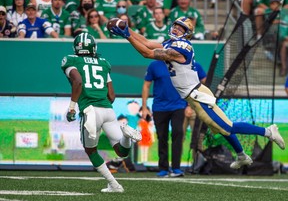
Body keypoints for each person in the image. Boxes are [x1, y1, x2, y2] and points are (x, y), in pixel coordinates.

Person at [110, 16, 286, 170]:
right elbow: (147, 42)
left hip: (196, 95)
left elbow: (147, 53)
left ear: (187, 33)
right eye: (176, 25)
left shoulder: (181, 47)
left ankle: (268, 132)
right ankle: (241, 155)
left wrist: (126, 36)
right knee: (219, 128)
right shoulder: (172, 42)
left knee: (226, 127)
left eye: (181, 28)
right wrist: (128, 30)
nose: (176, 28)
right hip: (194, 94)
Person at [61, 32, 142, 192]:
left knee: (91, 151)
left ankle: (114, 185)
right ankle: (126, 135)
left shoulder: (70, 60)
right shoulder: (103, 63)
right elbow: (111, 95)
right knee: (121, 150)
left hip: (90, 111)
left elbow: (77, 81)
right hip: (108, 110)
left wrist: (71, 107)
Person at [141, 59, 187, 177]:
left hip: (178, 105)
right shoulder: (154, 65)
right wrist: (144, 107)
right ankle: (163, 168)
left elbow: (189, 84)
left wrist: (190, 105)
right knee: (162, 137)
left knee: (178, 133)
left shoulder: (181, 63)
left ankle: (176, 168)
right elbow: (146, 86)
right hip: (159, 107)